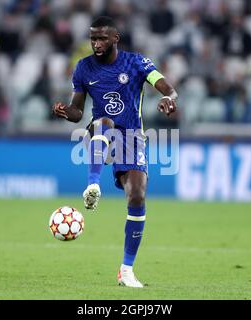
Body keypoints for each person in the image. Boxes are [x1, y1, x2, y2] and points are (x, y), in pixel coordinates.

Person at [52, 16, 178, 288]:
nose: (96, 43)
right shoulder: (84, 68)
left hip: (132, 137)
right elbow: (77, 112)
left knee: (137, 196)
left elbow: (165, 85)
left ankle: (126, 270)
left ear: (115, 39)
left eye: (101, 38)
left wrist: (168, 98)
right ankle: (92, 186)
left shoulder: (136, 63)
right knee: (104, 122)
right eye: (93, 38)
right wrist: (66, 112)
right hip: (100, 131)